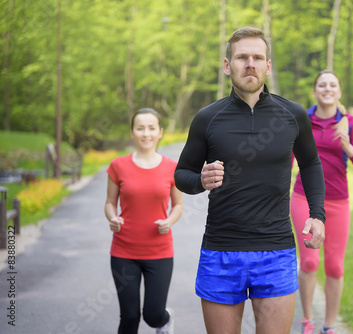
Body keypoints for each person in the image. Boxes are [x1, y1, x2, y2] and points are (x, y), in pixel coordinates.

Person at [174, 26, 326, 334]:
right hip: (220, 252)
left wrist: (317, 215)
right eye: (242, 57)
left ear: (268, 66)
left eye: (258, 57)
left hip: (276, 251)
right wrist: (200, 180)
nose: (250, 64)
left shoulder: (293, 115)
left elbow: (310, 163)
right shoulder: (208, 118)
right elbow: (181, 175)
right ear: (228, 65)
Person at [291, 70, 353, 334]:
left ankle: (329, 325)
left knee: (334, 266)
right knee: (310, 262)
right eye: (322, 85)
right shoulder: (303, 120)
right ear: (315, 91)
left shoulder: (351, 124)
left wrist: (347, 146)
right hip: (304, 196)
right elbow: (288, 158)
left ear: (339, 92)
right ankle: (308, 320)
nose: (327, 89)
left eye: (332, 85)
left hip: (338, 201)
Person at [104, 108, 184, 334]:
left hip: (159, 252)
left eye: (151, 128)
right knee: (129, 316)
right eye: (140, 128)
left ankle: (165, 320)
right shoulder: (118, 166)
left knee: (152, 314)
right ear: (132, 132)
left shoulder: (171, 167)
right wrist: (112, 217)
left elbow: (178, 204)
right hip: (123, 251)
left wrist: (169, 221)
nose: (146, 133)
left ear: (160, 132)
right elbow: (110, 202)